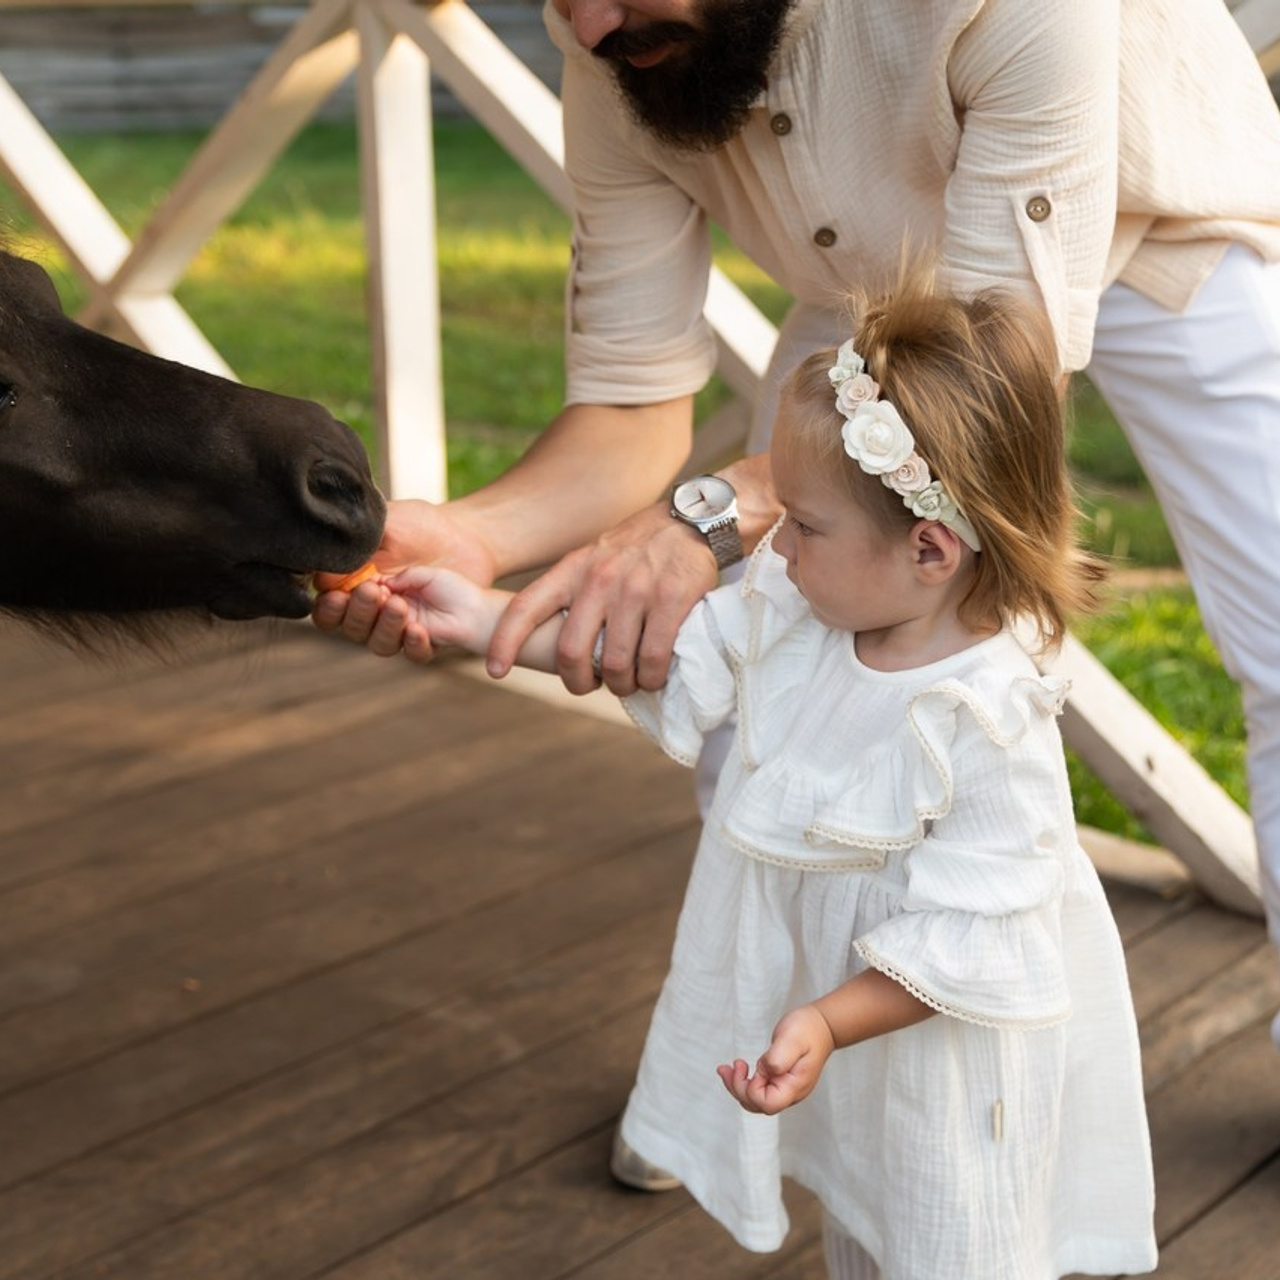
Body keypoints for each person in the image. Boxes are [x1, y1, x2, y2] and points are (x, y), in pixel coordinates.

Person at [314, 1, 1280, 1031]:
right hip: (871, 304)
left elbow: (985, 361)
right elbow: (631, 404)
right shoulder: (615, 49)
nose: (588, 26)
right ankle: (760, 1056)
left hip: (1159, 233)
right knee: (755, 695)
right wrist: (477, 533)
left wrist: (711, 513)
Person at [367, 271, 1157, 1279]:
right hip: (838, 1037)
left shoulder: (983, 717)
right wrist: (478, 614)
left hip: (940, 1053)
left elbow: (964, 945)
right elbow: (669, 650)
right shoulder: (804, 609)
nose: (771, 538)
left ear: (927, 547)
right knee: (864, 1219)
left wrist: (828, 1019)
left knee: (940, 1236)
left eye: (804, 521)